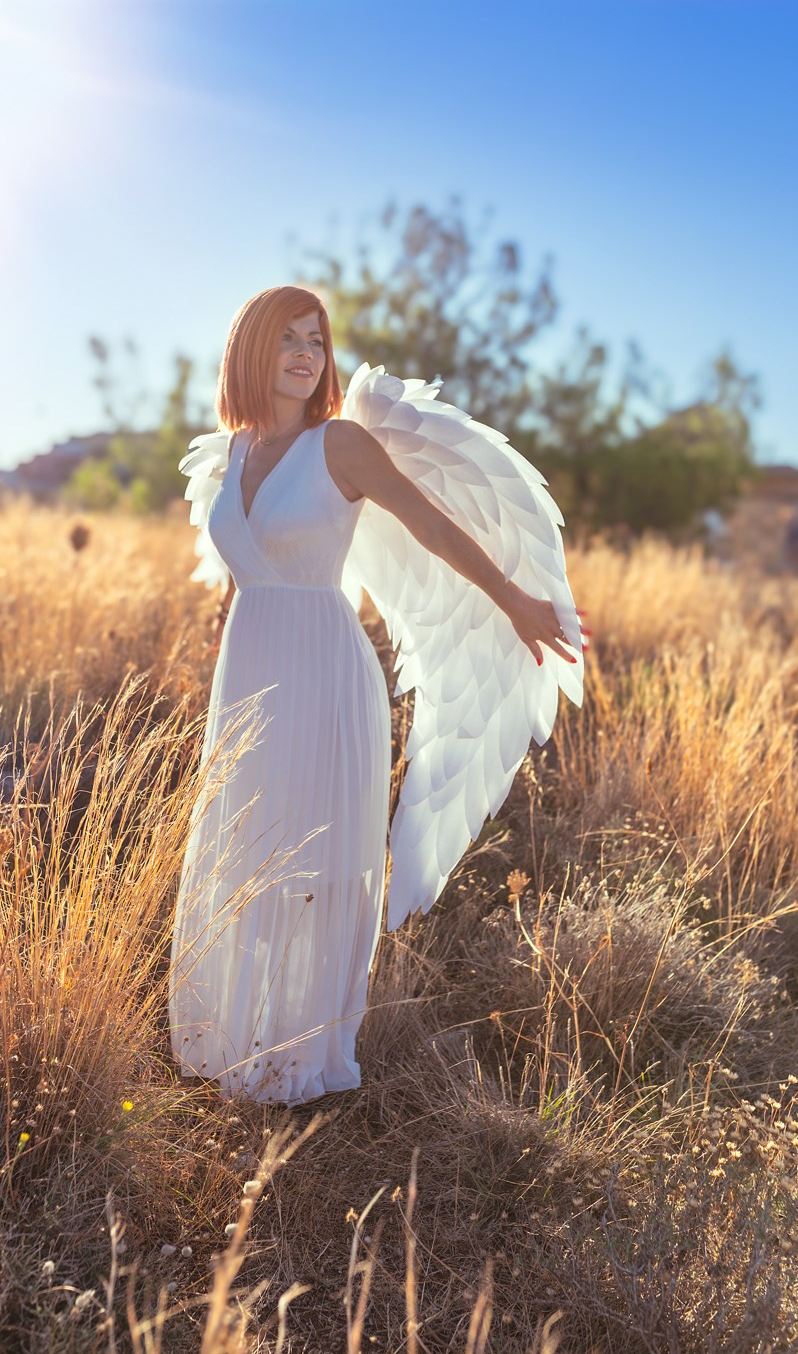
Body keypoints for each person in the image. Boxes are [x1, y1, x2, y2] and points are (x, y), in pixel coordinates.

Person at [168, 284, 584, 1106]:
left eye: (315, 340)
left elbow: (430, 525)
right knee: (242, 846)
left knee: (309, 854)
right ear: (249, 350)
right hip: (248, 671)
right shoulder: (231, 452)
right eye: (286, 338)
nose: (304, 354)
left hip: (324, 667)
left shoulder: (342, 444)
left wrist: (517, 602)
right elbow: (236, 575)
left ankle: (300, 1053)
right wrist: (216, 675)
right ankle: (238, 1034)